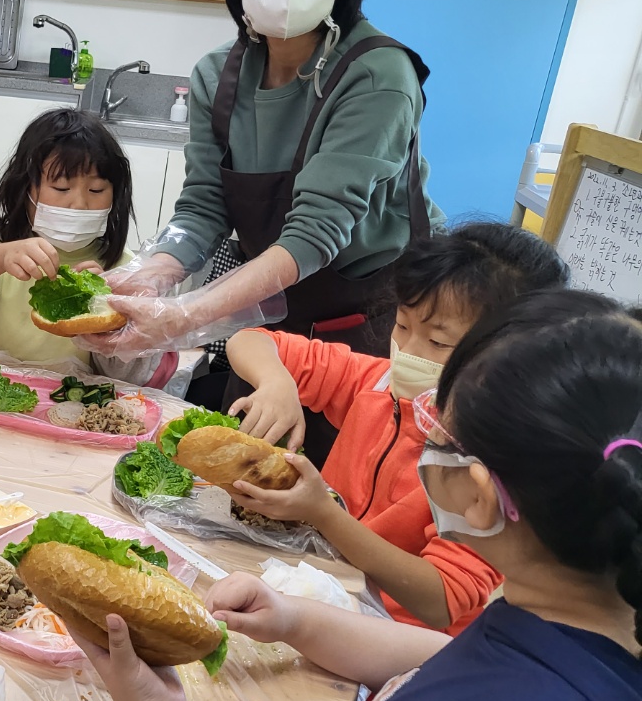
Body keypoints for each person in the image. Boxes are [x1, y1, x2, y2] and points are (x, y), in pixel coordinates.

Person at [80, 287, 642, 701]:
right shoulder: (581, 631)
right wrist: (299, 621)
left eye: (437, 434)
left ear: (478, 495)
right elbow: (451, 661)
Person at [82, 0, 443, 423]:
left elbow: (313, 233)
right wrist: (151, 273)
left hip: (368, 325)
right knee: (237, 478)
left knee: (336, 490)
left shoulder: (377, 75)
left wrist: (185, 315)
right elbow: (203, 206)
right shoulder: (217, 75)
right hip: (268, 321)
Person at [223, 222, 568, 632]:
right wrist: (277, 382)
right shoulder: (377, 383)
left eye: (438, 343)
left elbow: (443, 600)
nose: (408, 352)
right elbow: (250, 340)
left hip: (396, 639)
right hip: (316, 590)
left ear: (511, 353)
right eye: (402, 326)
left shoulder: (496, 462)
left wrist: (324, 515)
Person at [0, 108, 172, 386]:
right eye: (61, 188)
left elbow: (132, 374)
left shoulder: (123, 269)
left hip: (73, 411)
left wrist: (109, 311)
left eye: (96, 190)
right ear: (25, 190)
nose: (79, 204)